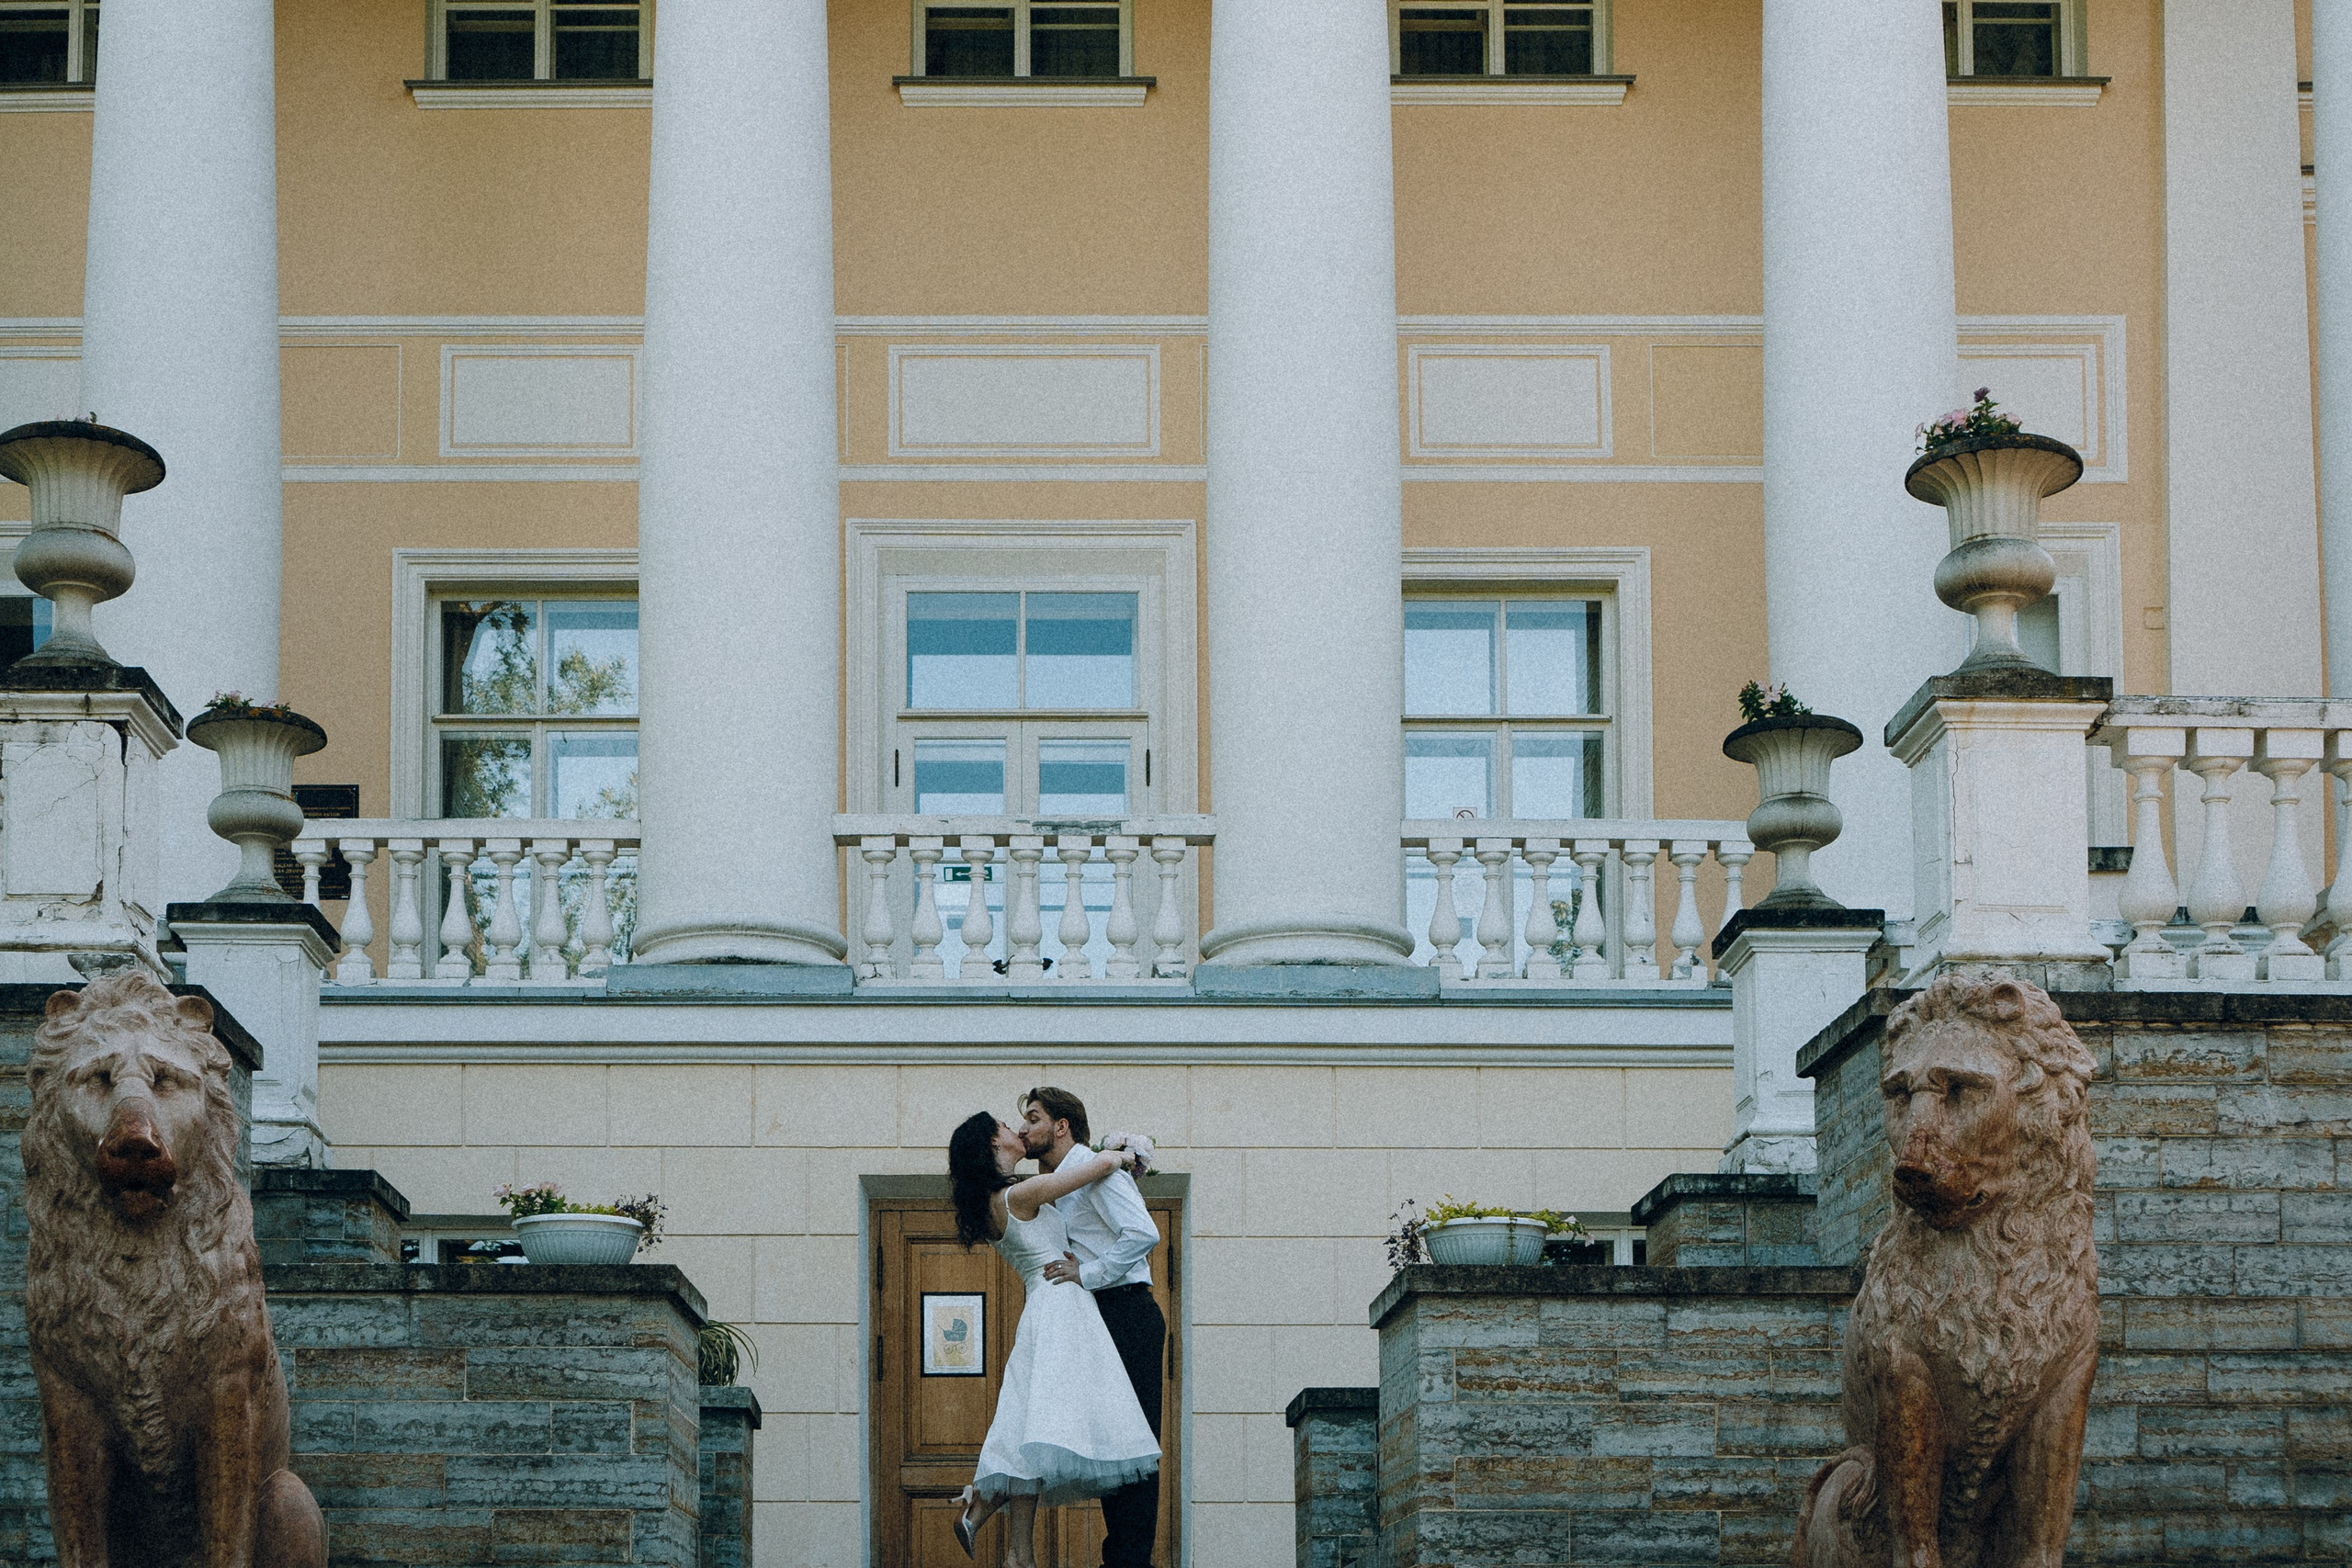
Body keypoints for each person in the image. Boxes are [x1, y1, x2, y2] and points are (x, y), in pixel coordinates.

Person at [944, 1111, 1159, 1568]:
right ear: (991, 1144)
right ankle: (993, 1520)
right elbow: (1096, 1169)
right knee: (1044, 1422)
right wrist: (1125, 1153)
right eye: (1006, 1126)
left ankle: (1012, 1545)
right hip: (1061, 1304)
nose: (1016, 1130)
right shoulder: (1018, 1194)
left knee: (1031, 1421)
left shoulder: (997, 1198)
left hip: (1046, 1307)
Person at [1019, 1088, 1165, 1568]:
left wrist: (1089, 1273)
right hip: (1101, 1317)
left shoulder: (1098, 1170)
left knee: (1136, 1444)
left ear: (1062, 1126)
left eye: (1033, 1118)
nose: (1024, 1129)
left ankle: (1128, 1561)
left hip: (1127, 1313)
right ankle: (1119, 1558)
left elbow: (1144, 1233)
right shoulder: (1067, 1177)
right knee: (1111, 1440)